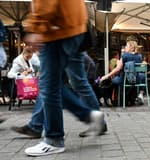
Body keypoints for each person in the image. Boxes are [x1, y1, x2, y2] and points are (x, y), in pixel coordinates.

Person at [22, 0, 105, 156]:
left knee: (49, 86)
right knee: (58, 84)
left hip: (56, 29)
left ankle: (54, 139)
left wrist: (36, 27)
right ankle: (90, 116)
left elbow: (45, 3)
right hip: (73, 26)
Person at [100, 40, 144, 106]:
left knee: (111, 81)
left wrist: (106, 76)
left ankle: (110, 99)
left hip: (124, 80)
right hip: (136, 80)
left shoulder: (125, 56)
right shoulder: (139, 57)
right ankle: (129, 99)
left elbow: (118, 69)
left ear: (131, 47)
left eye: (126, 46)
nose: (125, 47)